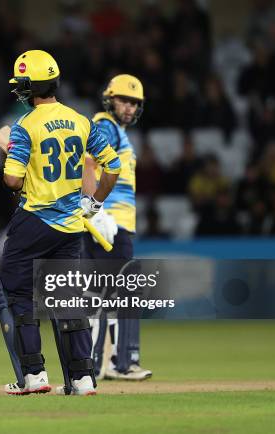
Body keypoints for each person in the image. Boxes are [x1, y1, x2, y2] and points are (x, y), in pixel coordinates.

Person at [0, 50, 121, 396]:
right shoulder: (81, 121)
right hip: (71, 226)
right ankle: (82, 379)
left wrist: (12, 153)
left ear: (30, 87)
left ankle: (33, 375)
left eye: (21, 85)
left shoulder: (24, 127)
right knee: (68, 299)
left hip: (34, 220)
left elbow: (12, 181)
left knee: (16, 292)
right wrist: (94, 203)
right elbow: (113, 167)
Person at [82, 74, 153, 381]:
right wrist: (94, 209)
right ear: (109, 99)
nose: (128, 107)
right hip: (110, 224)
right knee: (122, 293)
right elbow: (88, 165)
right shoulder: (107, 127)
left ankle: (105, 362)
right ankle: (121, 363)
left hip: (111, 223)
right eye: (123, 100)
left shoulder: (116, 131)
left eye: (134, 102)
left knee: (104, 295)